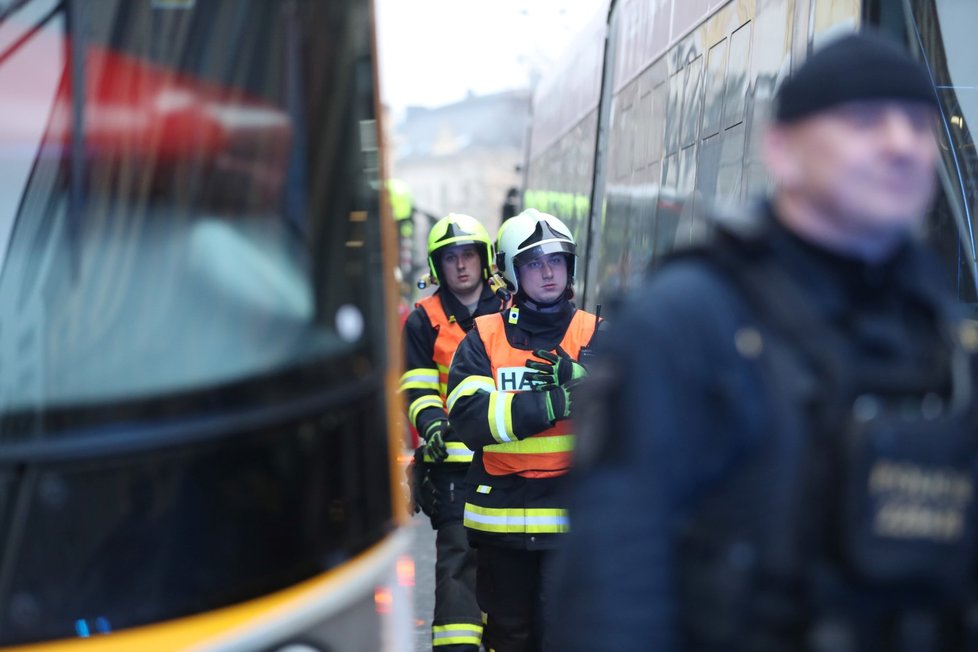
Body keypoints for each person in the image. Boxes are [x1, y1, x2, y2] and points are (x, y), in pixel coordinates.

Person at [551, 30, 978, 652]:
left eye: (918, 123)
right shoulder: (687, 321)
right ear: (781, 151)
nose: (900, 144)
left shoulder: (940, 333)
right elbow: (614, 577)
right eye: (864, 120)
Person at [447, 208, 600, 651]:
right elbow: (471, 417)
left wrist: (587, 385)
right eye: (534, 263)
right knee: (508, 638)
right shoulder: (482, 338)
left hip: (573, 524)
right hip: (502, 525)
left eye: (556, 260)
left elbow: (636, 408)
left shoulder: (595, 335)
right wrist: (555, 402)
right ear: (511, 273)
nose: (548, 272)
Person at [401, 213, 506, 651]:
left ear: (483, 260)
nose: (460, 266)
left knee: (504, 567)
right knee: (457, 563)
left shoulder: (509, 310)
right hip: (452, 471)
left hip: (505, 463)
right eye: (450, 258)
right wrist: (433, 425)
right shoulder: (423, 320)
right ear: (436, 266)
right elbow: (418, 386)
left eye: (467, 255)